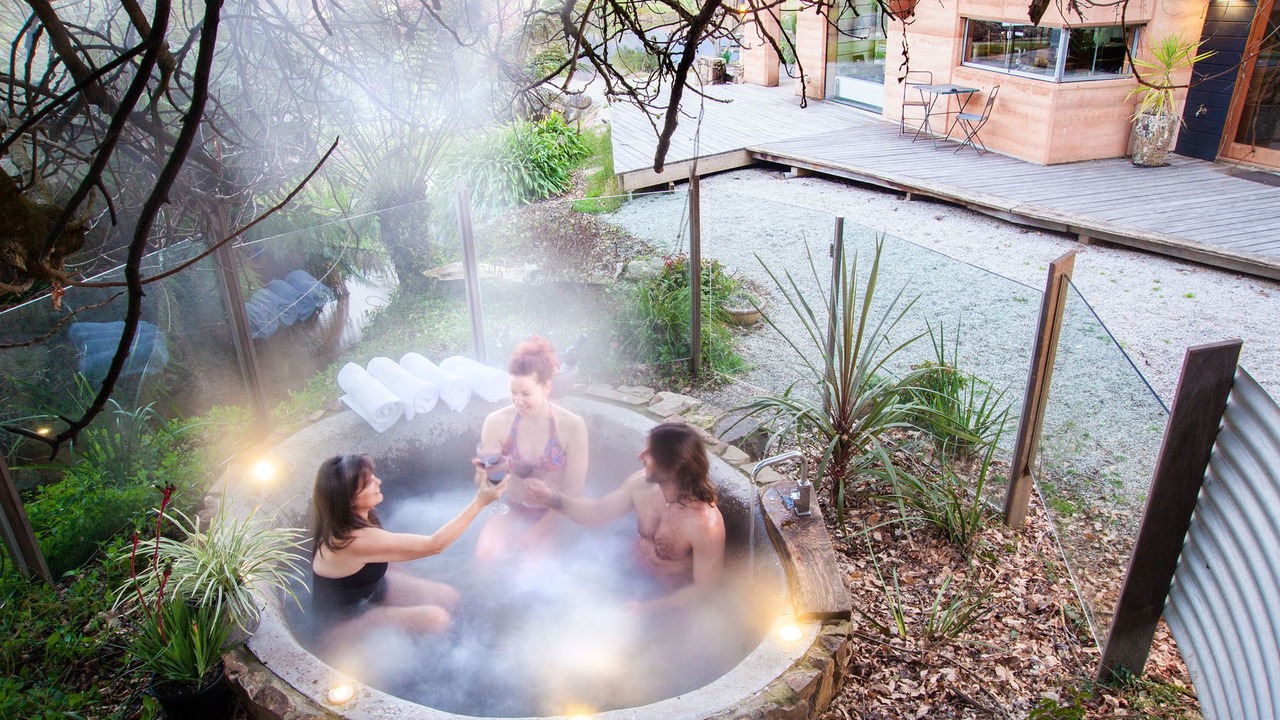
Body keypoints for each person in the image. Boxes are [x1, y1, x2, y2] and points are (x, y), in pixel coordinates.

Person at [523, 421, 725, 612]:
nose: (640, 455)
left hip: (668, 599)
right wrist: (551, 498)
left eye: (651, 453)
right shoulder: (642, 486)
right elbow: (598, 512)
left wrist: (647, 608)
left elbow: (704, 590)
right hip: (630, 576)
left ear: (675, 467)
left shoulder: (705, 524)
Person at [310, 453, 506, 643]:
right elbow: (435, 545)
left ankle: (471, 641)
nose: (378, 481)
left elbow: (382, 555)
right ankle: (433, 658)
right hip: (346, 620)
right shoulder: (351, 540)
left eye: (372, 476)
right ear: (349, 499)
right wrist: (480, 501)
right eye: (369, 483)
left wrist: (409, 578)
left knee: (450, 597)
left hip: (371, 589)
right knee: (437, 619)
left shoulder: (352, 518)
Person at [474, 336, 589, 560]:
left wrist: (540, 531)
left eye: (526, 394)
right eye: (513, 392)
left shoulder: (572, 426)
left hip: (554, 512)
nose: (517, 401)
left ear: (546, 387)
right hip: (511, 507)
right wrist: (485, 475)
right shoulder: (496, 422)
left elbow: (575, 489)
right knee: (485, 557)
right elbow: (484, 486)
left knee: (530, 577)